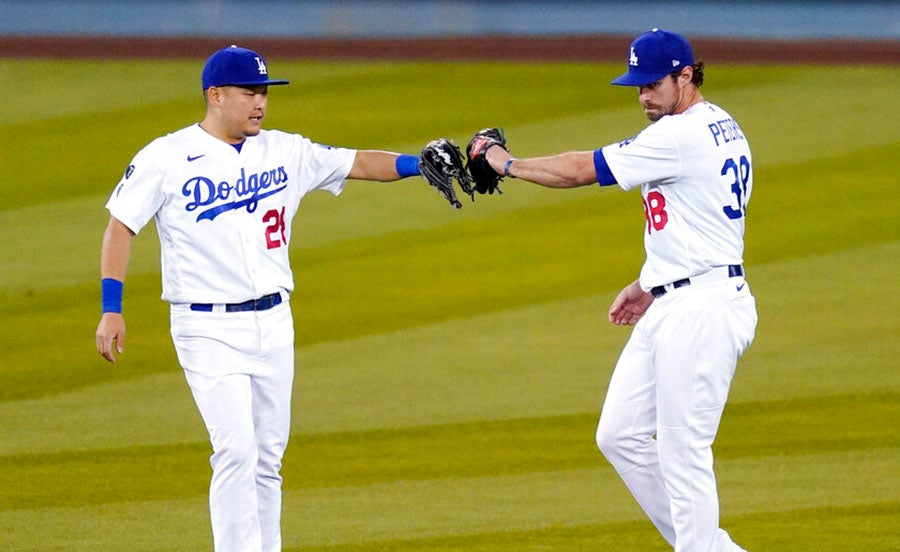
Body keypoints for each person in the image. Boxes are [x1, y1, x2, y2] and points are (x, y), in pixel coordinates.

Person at [95, 45, 448, 552]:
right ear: (216, 96)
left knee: (267, 458)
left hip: (274, 322)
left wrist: (418, 164)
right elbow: (120, 225)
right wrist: (112, 307)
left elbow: (358, 163)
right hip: (206, 326)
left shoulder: (284, 150)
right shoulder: (165, 157)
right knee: (236, 451)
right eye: (249, 93)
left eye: (264, 93)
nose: (260, 103)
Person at [472, 29, 757, 552]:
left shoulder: (678, 135)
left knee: (683, 451)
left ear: (686, 75)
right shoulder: (719, 123)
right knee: (620, 435)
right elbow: (699, 216)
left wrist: (502, 162)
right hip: (680, 293)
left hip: (703, 309)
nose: (644, 95)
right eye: (637, 86)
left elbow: (582, 170)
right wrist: (651, 282)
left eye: (653, 84)